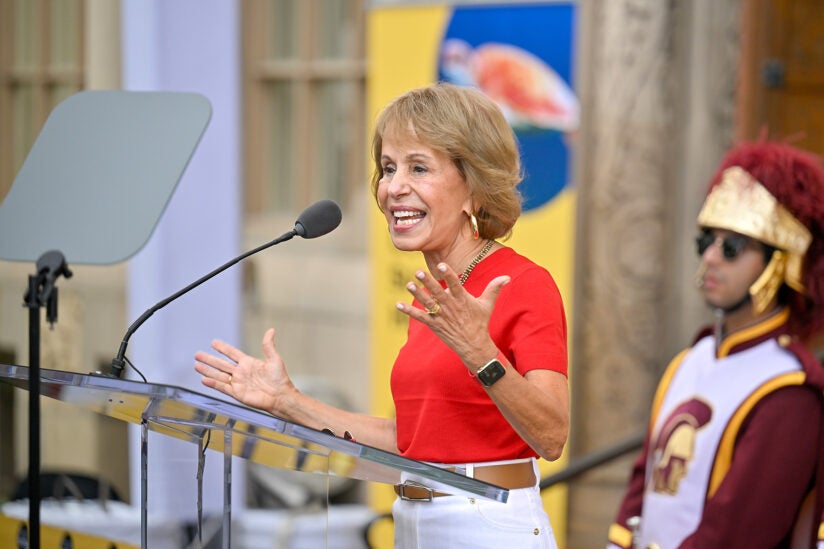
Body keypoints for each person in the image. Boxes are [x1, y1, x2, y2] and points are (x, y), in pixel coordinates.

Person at [194, 82, 570, 548]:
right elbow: (409, 444)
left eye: (418, 168)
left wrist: (480, 353)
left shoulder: (521, 283)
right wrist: (286, 401)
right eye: (388, 168)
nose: (394, 187)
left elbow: (552, 436)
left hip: (487, 525)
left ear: (473, 186)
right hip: (412, 521)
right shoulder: (432, 297)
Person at [607, 141, 824, 549]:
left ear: (780, 262)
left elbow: (738, 533)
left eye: (733, 247)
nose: (710, 257)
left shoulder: (791, 388)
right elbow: (644, 480)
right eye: (706, 240)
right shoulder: (691, 359)